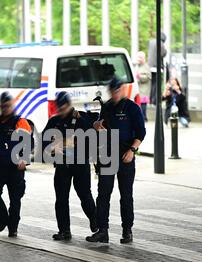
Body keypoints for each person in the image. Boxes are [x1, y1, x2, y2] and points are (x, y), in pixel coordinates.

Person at [86, 78, 146, 244]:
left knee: (126, 196)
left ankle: (127, 230)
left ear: (123, 90)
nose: (114, 93)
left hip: (125, 157)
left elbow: (141, 133)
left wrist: (132, 150)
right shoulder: (107, 107)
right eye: (112, 91)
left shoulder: (132, 108)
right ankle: (102, 231)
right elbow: (101, 126)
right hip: (107, 155)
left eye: (117, 90)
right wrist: (97, 125)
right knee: (103, 195)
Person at [42, 92, 98, 241]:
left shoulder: (82, 118)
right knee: (61, 199)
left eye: (64, 107)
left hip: (80, 164)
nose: (61, 110)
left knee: (85, 195)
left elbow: (93, 135)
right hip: (62, 165)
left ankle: (95, 221)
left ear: (69, 105)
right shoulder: (54, 121)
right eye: (59, 107)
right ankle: (64, 230)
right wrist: (52, 148)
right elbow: (43, 142)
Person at [0, 92, 32, 238]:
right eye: (3, 106)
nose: (5, 108)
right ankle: (3, 220)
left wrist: (24, 159)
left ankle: (13, 228)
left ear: (12, 106)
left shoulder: (20, 122)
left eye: (8, 105)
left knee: (15, 199)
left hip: (15, 168)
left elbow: (29, 142)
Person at [148, 32, 168, 106]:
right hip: (157, 67)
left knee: (152, 84)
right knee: (157, 85)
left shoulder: (151, 42)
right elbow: (163, 54)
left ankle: (150, 100)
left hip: (150, 67)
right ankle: (154, 101)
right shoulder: (161, 44)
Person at [134, 51, 152, 122]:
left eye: (140, 58)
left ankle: (144, 117)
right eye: (138, 57)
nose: (139, 59)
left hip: (144, 89)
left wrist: (139, 77)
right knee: (138, 104)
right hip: (138, 88)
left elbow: (148, 77)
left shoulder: (146, 66)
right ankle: (141, 117)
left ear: (143, 58)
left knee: (143, 104)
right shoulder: (136, 66)